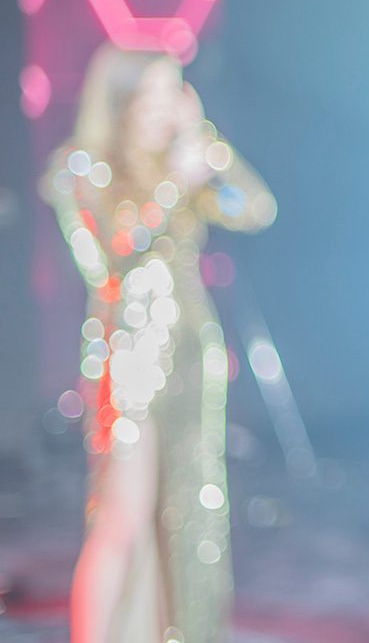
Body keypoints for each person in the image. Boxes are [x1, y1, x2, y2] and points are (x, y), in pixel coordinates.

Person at [41, 44, 276, 643]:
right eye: (152, 94)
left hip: (193, 354)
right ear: (121, 102)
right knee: (123, 520)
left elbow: (254, 208)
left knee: (188, 511)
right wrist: (177, 179)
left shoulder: (182, 164)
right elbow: (111, 257)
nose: (163, 107)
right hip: (129, 360)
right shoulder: (84, 166)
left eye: (174, 91)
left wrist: (207, 141)